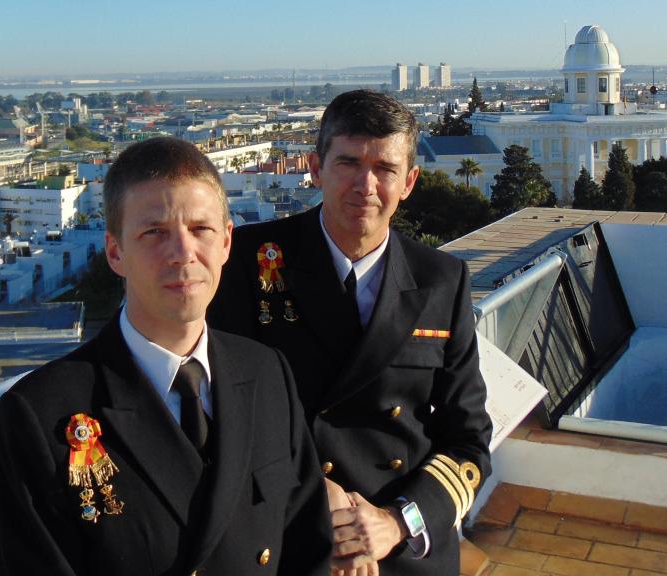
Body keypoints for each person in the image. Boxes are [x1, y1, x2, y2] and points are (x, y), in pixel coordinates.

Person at [0, 137, 331, 575]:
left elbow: (307, 544)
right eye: (155, 232)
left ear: (227, 242)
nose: (183, 254)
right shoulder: (41, 415)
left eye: (200, 229)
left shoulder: (266, 372)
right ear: (116, 252)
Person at [209, 89, 493, 575]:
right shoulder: (248, 261)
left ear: (409, 182)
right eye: (348, 163)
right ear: (316, 169)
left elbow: (467, 441)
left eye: (385, 168)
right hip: (284, 528)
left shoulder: (441, 280)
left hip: (400, 541)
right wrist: (314, 492)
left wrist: (394, 523)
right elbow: (215, 405)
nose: (365, 184)